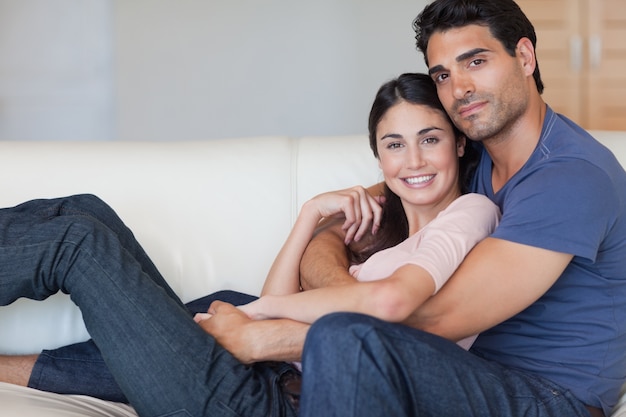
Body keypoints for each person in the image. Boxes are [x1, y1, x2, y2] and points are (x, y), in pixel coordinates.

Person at [0, 73, 499, 415]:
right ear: (379, 157)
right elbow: (282, 296)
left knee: (78, 240)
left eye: (430, 139)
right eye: (395, 145)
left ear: (458, 143)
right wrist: (308, 217)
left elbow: (386, 305)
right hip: (264, 372)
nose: (413, 161)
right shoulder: (388, 243)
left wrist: (257, 315)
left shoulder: (470, 213)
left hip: (266, 405)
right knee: (85, 211)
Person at [295, 1, 626, 417]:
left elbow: (433, 319)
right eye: (443, 75)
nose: (459, 88)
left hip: (551, 397)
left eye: (476, 61)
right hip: (464, 371)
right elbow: (336, 227)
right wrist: (342, 290)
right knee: (217, 304)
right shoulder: (470, 157)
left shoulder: (570, 177)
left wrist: (277, 336)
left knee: (345, 339)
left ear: (524, 57)